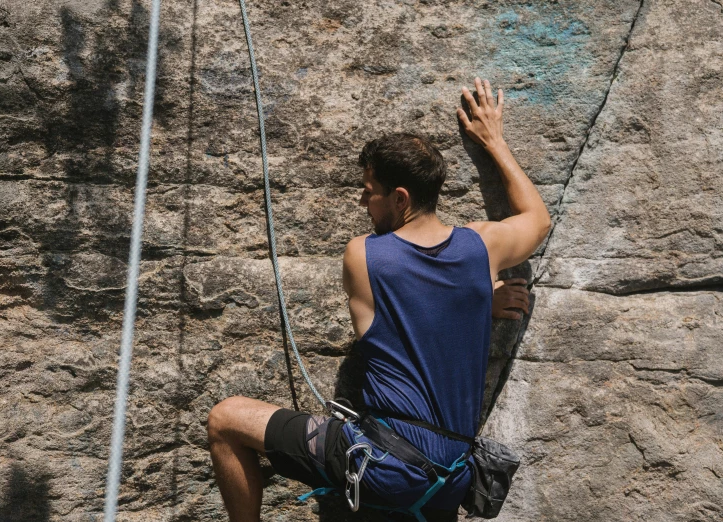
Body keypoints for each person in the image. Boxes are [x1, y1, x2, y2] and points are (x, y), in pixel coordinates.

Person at [207, 77, 551, 521]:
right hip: (450, 481)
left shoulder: (364, 255)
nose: (363, 200)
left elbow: (403, 305)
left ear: (400, 197)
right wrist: (494, 141)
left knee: (227, 419)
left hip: (384, 467)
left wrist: (478, 300)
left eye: (370, 191)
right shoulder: (482, 247)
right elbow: (537, 220)